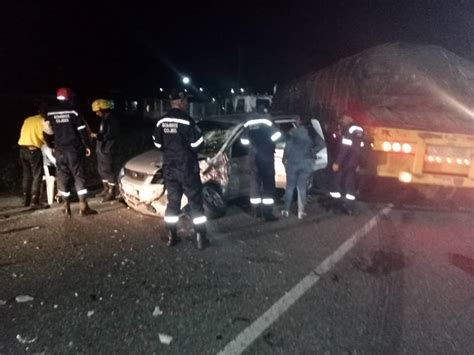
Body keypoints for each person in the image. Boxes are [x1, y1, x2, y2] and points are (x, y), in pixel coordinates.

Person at [152, 89, 209, 249]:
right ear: (181, 102)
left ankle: (172, 236)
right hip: (187, 168)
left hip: (170, 168)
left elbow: (157, 144)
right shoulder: (188, 120)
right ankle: (200, 239)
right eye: (186, 101)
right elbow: (197, 145)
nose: (187, 104)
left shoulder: (161, 121)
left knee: (173, 203)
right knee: (196, 203)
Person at [44, 87, 97, 216]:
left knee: (62, 177)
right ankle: (83, 207)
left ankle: (65, 207)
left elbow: (46, 131)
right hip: (74, 150)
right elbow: (81, 131)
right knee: (79, 176)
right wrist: (87, 146)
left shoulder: (50, 113)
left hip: (59, 151)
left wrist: (51, 145)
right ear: (70, 98)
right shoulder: (74, 112)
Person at [281, 116, 325, 219]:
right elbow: (322, 144)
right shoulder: (311, 133)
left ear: (300, 121)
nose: (295, 121)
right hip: (306, 163)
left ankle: (286, 210)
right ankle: (301, 212)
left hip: (293, 162)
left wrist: (284, 158)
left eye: (296, 119)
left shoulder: (293, 132)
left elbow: (288, 147)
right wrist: (312, 152)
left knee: (290, 187)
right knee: (302, 187)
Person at [240, 115, 282, 221]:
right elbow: (277, 136)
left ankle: (256, 211)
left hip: (253, 157)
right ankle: (267, 213)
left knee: (255, 183)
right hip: (266, 156)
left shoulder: (248, 123)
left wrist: (253, 146)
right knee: (268, 185)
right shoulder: (268, 122)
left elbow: (243, 141)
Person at [17, 102, 52, 209]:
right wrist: (51, 146)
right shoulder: (44, 121)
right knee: (37, 175)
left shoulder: (28, 119)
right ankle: (34, 201)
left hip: (22, 150)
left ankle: (25, 201)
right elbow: (49, 135)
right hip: (33, 150)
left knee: (27, 175)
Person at [329, 113, 365, 215]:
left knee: (337, 183)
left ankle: (337, 205)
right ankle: (349, 207)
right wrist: (359, 163)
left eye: (344, 118)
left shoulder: (350, 129)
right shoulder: (360, 130)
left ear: (350, 118)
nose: (342, 121)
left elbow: (345, 147)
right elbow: (361, 148)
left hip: (346, 162)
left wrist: (337, 162)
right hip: (353, 162)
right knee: (350, 185)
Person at [91, 99, 119, 202]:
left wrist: (96, 135)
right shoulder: (105, 120)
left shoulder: (112, 120)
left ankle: (112, 192)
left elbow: (109, 135)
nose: (96, 113)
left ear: (103, 109)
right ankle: (106, 189)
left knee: (108, 171)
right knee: (101, 170)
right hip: (102, 149)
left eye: (97, 111)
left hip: (108, 149)